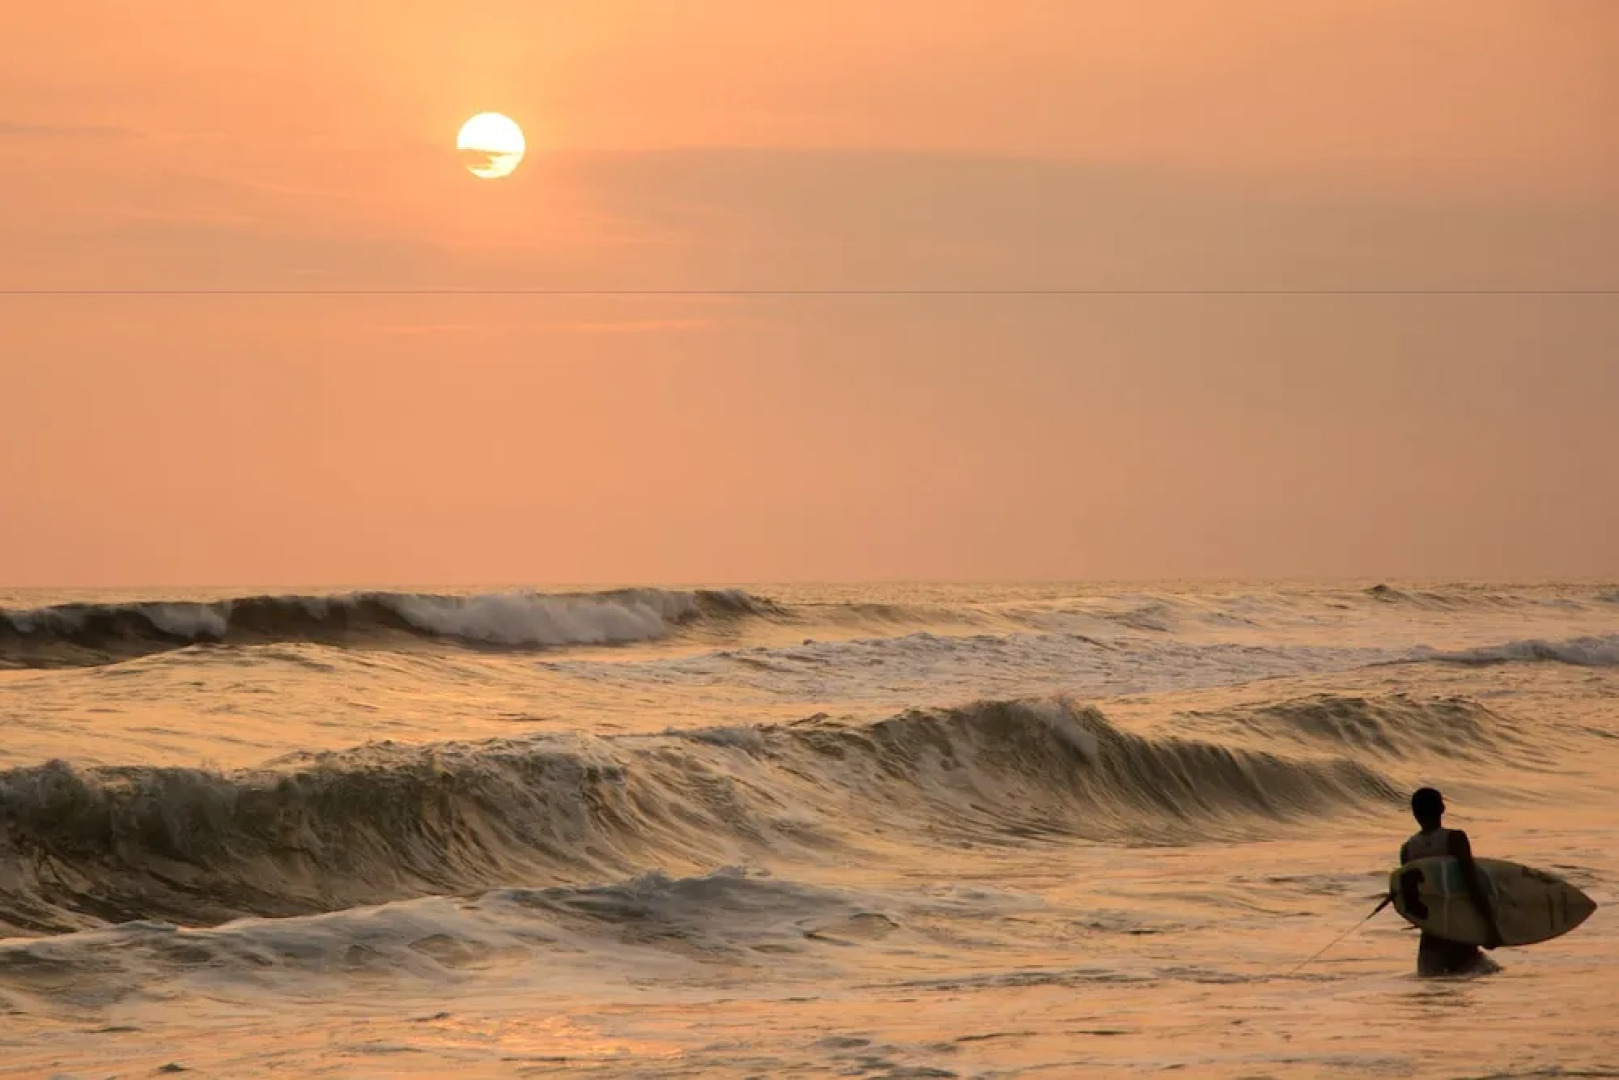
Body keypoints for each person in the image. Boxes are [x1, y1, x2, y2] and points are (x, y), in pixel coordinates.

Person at [1397, 787, 1503, 976]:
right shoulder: (1454, 839)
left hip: (1430, 936)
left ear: (1414, 813)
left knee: (1433, 992)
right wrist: (1490, 927)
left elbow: (1411, 899)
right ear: (1442, 808)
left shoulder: (1408, 849)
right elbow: (1471, 883)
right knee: (1476, 981)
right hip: (1457, 929)